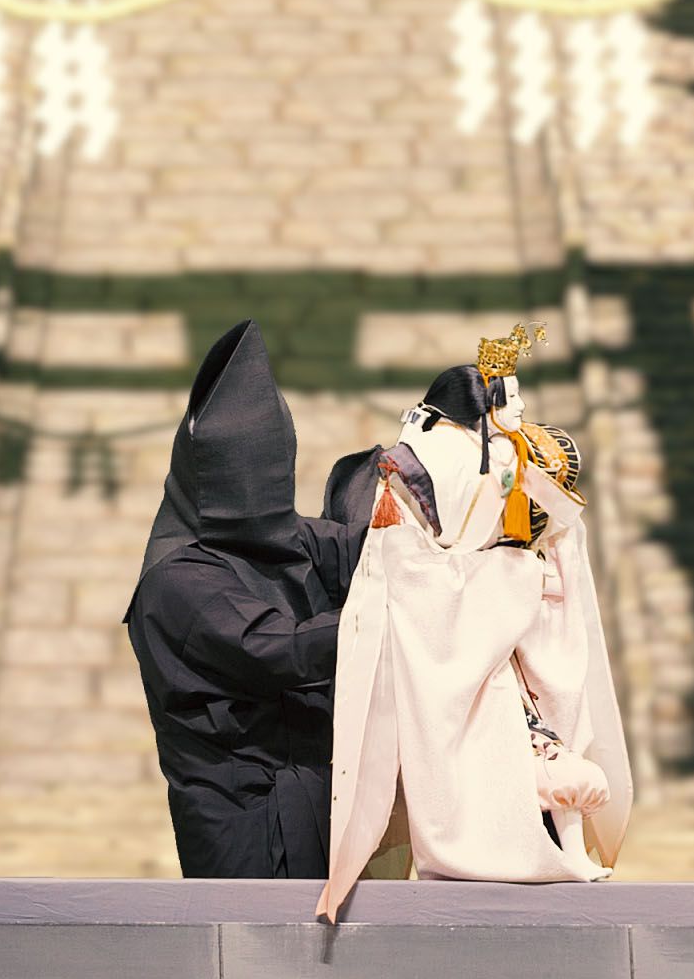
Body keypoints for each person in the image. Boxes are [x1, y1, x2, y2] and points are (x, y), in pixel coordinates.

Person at [317, 325, 630, 922]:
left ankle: (550, 852)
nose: (522, 408)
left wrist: (531, 557)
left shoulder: (510, 453)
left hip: (502, 638)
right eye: (512, 397)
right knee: (463, 777)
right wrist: (511, 573)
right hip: (452, 630)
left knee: (534, 760)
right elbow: (412, 566)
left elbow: (537, 526)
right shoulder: (418, 465)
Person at [126, 320, 364, 878]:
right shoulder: (177, 581)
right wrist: (385, 612)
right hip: (243, 818)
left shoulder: (287, 535)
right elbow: (277, 648)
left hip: (326, 799)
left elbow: (370, 551)